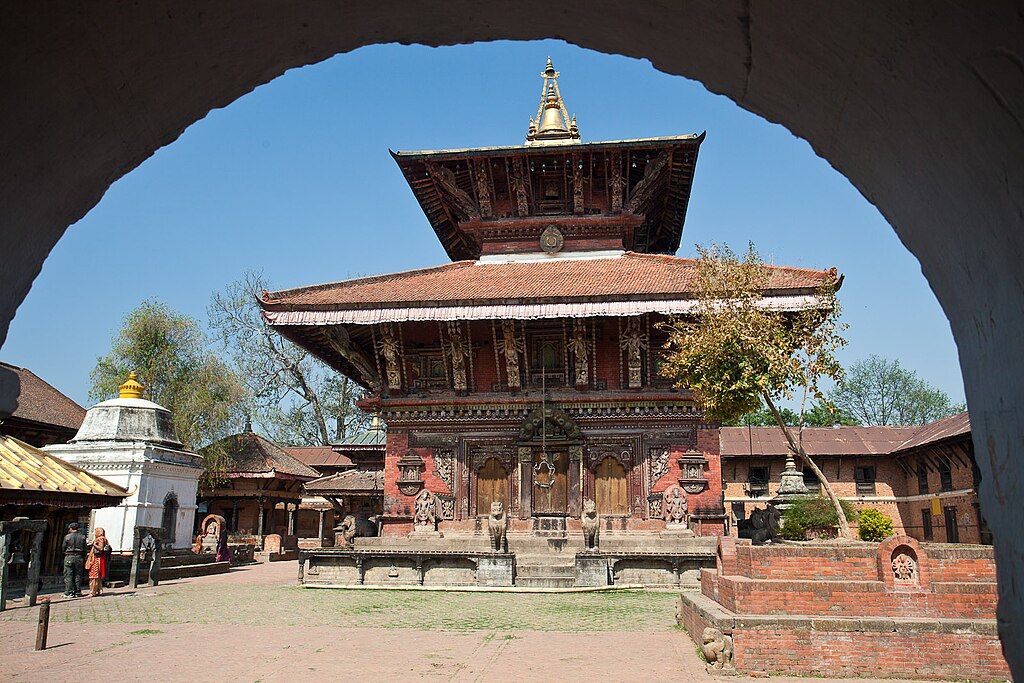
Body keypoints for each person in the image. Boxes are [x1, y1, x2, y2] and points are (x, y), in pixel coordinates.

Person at [61, 522, 86, 598]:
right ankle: (77, 591)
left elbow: (63, 547)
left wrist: (65, 554)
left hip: (69, 556)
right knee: (78, 574)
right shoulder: (82, 537)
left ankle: (68, 592)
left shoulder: (67, 537)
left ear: (70, 528)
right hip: (79, 557)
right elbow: (84, 549)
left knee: (68, 574)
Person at [86, 527, 112, 596]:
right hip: (100, 558)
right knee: (97, 577)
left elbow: (101, 548)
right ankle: (98, 590)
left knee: (94, 576)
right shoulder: (103, 538)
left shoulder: (100, 539)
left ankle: (93, 591)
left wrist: (94, 544)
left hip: (97, 559)